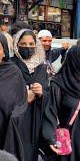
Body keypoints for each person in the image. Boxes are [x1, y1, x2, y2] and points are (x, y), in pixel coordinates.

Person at [42, 46, 80, 161]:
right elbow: (50, 112)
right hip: (69, 141)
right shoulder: (58, 84)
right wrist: (50, 138)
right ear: (75, 61)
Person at [11, 29, 48, 161]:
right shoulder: (10, 66)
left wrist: (41, 92)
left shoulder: (41, 68)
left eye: (31, 44)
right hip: (15, 122)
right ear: (17, 45)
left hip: (36, 121)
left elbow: (49, 94)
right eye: (23, 44)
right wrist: (23, 93)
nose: (27, 47)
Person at [0, 33, 28, 161]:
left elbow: (21, 102)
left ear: (4, 51)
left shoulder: (13, 72)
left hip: (5, 132)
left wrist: (15, 116)